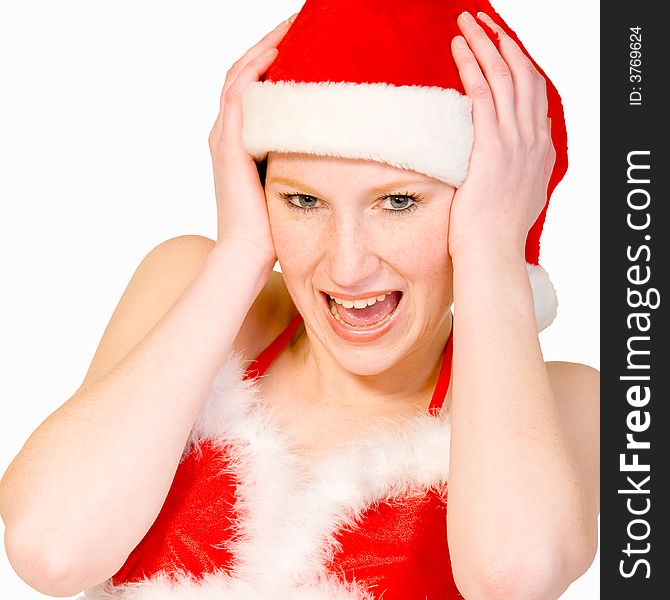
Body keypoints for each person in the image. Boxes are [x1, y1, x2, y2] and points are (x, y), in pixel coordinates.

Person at [0, 1, 599, 598]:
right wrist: (240, 252)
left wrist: (497, 250)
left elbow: (515, 579)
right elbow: (52, 551)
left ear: (491, 199)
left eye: (398, 202)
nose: (345, 264)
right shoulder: (192, 285)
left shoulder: (565, 402)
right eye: (302, 201)